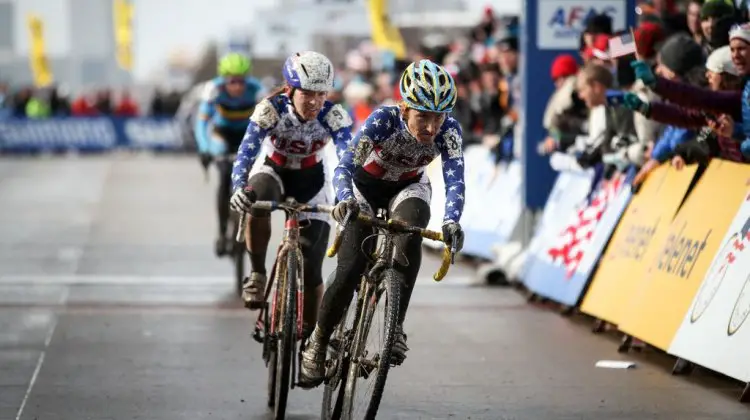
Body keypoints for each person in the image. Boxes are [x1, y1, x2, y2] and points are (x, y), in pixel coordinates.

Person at [298, 59, 467, 387]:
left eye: (438, 116)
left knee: (413, 228)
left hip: (407, 188)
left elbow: (456, 178)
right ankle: (319, 341)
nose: (431, 127)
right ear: (404, 108)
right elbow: (345, 168)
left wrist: (452, 220)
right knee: (350, 268)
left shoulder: (450, 132)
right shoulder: (382, 120)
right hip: (364, 189)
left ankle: (395, 329)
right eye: (423, 116)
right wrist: (345, 199)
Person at [228, 51, 353, 332]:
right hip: (274, 169)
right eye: (307, 94)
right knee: (256, 195)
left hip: (312, 179)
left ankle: (310, 337)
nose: (314, 102)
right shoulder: (270, 108)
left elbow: (347, 160)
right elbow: (246, 153)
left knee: (311, 270)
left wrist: (346, 196)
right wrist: (238, 186)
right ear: (289, 90)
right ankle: (258, 273)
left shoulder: (334, 116)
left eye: (321, 94)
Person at [194, 53, 264, 257]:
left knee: (254, 176)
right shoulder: (213, 89)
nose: (237, 86)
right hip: (222, 135)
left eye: (241, 81)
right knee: (225, 179)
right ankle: (222, 232)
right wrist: (204, 149)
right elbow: (202, 123)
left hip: (246, 136)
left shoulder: (257, 89)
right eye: (232, 81)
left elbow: (268, 123)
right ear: (224, 80)